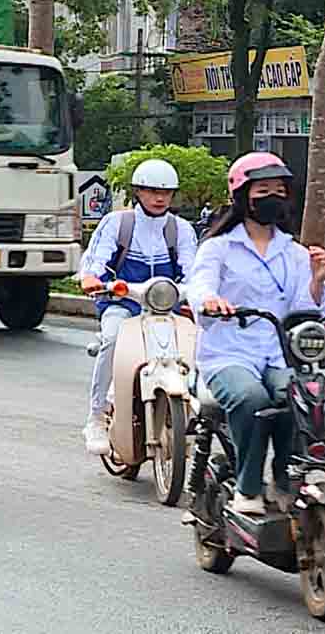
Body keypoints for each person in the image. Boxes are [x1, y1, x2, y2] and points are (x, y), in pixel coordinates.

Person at [187, 152, 325, 516]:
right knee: (252, 400)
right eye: (262, 189)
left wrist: (317, 281)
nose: (272, 197)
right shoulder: (218, 248)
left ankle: (285, 478)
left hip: (277, 353)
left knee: (301, 397)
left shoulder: (295, 253)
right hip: (227, 355)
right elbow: (199, 287)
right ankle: (248, 487)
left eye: (279, 190)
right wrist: (211, 301)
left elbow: (306, 311)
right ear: (242, 196)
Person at [77, 159, 198, 455]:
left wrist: (201, 291)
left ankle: (195, 413)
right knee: (113, 339)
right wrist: (93, 279)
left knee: (196, 345)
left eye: (166, 192)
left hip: (165, 309)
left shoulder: (181, 230)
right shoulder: (118, 223)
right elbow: (96, 262)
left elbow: (194, 271)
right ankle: (95, 417)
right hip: (122, 303)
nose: (159, 198)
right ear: (138, 192)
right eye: (152, 191)